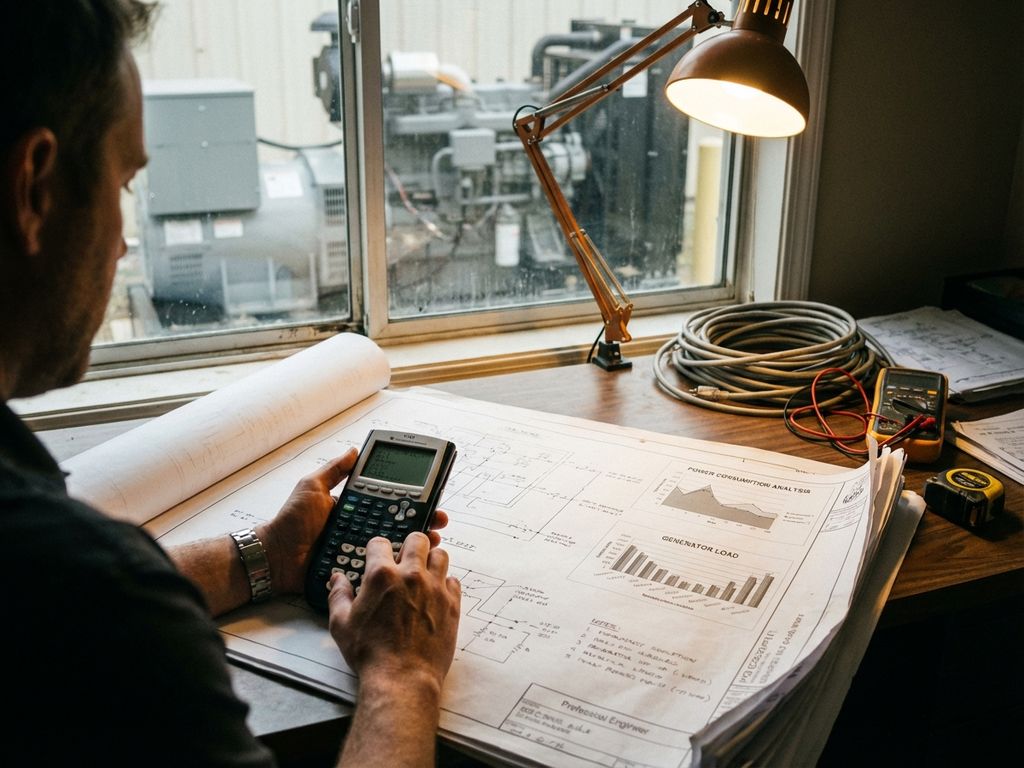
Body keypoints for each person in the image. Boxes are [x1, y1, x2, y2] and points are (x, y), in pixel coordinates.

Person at [0, 2, 461, 765]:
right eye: (121, 185)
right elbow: (79, 596)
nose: (121, 242)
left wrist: (268, 557)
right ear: (33, 186)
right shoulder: (102, 610)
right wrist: (403, 677)